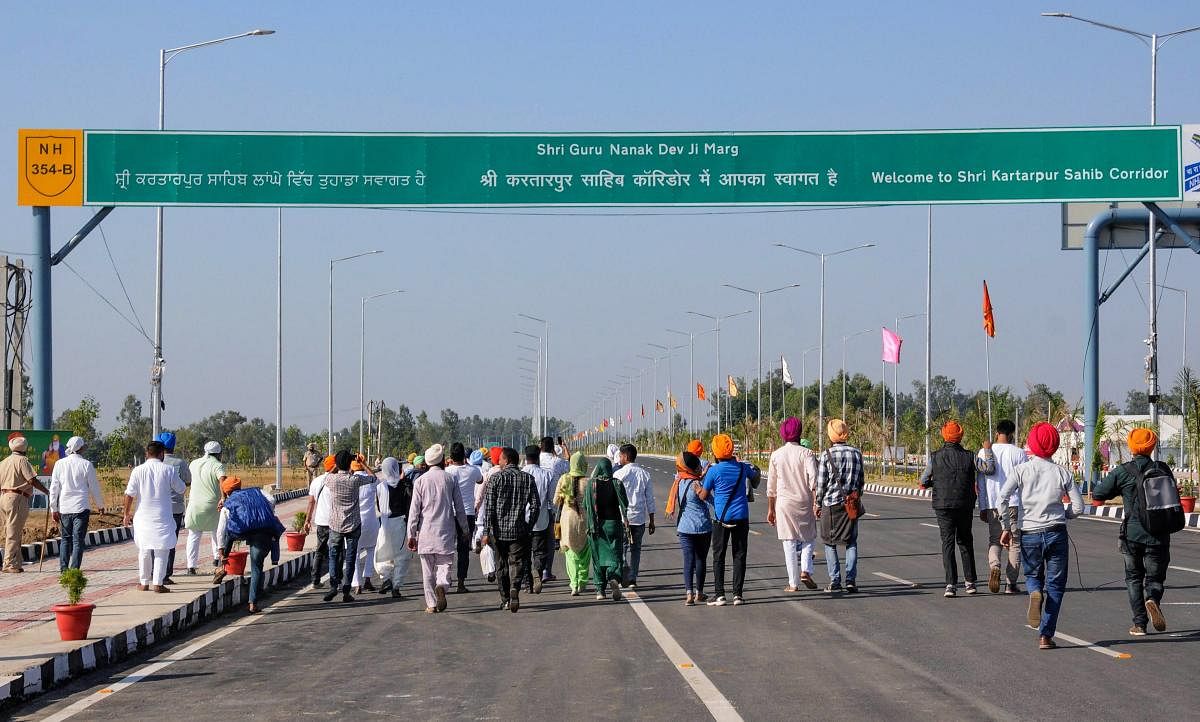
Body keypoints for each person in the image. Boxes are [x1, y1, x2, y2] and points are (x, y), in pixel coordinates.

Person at [997, 422, 1084, 650]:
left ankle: (1034, 592)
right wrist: (1063, 515)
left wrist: (1007, 526)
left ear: (1032, 445)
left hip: (1029, 533)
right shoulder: (1062, 473)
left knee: (1033, 575)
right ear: (1055, 445)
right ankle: (1046, 635)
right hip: (1056, 533)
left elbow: (1002, 499)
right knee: (1055, 585)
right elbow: (1079, 506)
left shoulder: (1022, 470)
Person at [1092, 427, 1175, 636]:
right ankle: (1153, 599)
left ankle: (1139, 624)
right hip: (1159, 534)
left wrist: (1119, 490)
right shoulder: (1163, 469)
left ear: (1131, 446)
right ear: (1152, 446)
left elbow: (1099, 493)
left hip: (1132, 535)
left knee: (1133, 578)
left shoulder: (1123, 471)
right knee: (1155, 579)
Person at [919, 420, 980, 598]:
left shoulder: (935, 456)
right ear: (960, 436)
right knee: (965, 541)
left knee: (948, 543)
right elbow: (985, 469)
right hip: (964, 504)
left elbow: (923, 481)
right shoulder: (970, 456)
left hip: (943, 505)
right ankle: (970, 582)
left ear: (944, 435)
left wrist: (934, 483)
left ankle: (951, 585)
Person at [406, 444, 467, 613]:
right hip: (446, 531)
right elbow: (460, 508)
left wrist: (411, 534)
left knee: (427, 572)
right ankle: (442, 586)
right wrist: (465, 528)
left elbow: (414, 511)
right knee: (445, 566)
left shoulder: (420, 481)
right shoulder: (450, 479)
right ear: (441, 460)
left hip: (425, 532)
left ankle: (431, 604)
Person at [481, 447, 540, 612]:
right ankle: (515, 586)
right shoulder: (528, 479)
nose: (498, 462)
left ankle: (506, 598)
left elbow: (489, 508)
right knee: (517, 562)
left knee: (501, 565)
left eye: (500, 459)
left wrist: (486, 531)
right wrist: (529, 525)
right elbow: (536, 506)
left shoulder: (495, 478)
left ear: (506, 460)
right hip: (519, 530)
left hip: (498, 532)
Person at [703, 434, 759, 606]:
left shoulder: (714, 471)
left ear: (715, 451)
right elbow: (755, 478)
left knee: (718, 556)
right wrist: (748, 465)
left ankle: (720, 594)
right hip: (741, 517)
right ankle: (738, 595)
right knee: (739, 555)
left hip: (721, 519)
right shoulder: (742, 468)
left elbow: (704, 495)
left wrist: (701, 486)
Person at [213, 477, 284, 613]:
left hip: (242, 531)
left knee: (229, 533)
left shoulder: (227, 505)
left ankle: (222, 565)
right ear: (239, 486)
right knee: (256, 567)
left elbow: (220, 532)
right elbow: (272, 500)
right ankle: (253, 603)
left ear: (226, 492)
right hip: (263, 533)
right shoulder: (258, 492)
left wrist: (221, 552)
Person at [122, 441, 186, 593]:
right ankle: (158, 583)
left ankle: (144, 582)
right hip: (162, 516)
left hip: (142, 518)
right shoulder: (168, 470)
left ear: (147, 454)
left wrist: (126, 514)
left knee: (144, 550)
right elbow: (182, 489)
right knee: (162, 550)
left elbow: (129, 494)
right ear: (162, 454)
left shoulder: (137, 470)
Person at [975, 419, 1028, 595]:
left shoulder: (985, 451)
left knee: (994, 540)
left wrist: (982, 506)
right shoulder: (1019, 453)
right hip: (1013, 504)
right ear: (1012, 433)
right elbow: (1024, 483)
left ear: (997, 432)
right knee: (1014, 543)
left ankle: (994, 565)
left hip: (992, 504)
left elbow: (981, 482)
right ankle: (1010, 584)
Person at [766, 418, 819, 592]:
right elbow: (814, 481)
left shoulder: (776, 455)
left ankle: (793, 583)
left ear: (783, 433)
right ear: (799, 432)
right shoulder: (807, 454)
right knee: (808, 537)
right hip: (804, 501)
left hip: (783, 503)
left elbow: (771, 487)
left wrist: (770, 509)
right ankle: (805, 569)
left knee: (789, 541)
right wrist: (816, 503)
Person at [815, 419, 865, 594]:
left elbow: (821, 484)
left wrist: (817, 503)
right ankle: (850, 580)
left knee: (830, 542)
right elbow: (861, 481)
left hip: (831, 505)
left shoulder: (826, 455)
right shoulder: (857, 453)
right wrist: (854, 498)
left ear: (830, 435)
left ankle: (835, 580)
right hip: (851, 505)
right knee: (851, 542)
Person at [321, 450, 377, 603]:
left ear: (337, 464)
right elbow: (373, 478)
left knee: (333, 555)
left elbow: (326, 476)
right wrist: (363, 463)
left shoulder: (331, 480)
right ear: (350, 464)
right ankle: (346, 590)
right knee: (351, 557)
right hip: (353, 524)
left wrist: (335, 466)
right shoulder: (355, 480)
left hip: (335, 524)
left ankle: (333, 586)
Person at [49, 436, 103, 572]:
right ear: (81, 449)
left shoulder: (59, 464)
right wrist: (100, 505)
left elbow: (54, 488)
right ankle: (74, 570)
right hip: (81, 507)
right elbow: (94, 487)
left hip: (65, 508)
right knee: (78, 540)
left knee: (65, 539)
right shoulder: (86, 464)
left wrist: (53, 508)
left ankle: (63, 569)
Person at [0, 436, 50, 573]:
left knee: (10, 530)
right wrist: (46, 491)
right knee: (13, 532)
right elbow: (32, 480)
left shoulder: (4, 462)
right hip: (17, 497)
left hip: (4, 497)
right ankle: (9, 564)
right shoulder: (22, 461)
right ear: (24, 449)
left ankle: (16, 562)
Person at [583, 457, 629, 601]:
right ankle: (614, 577)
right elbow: (625, 503)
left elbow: (585, 504)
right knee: (615, 554)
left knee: (598, 558)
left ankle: (600, 591)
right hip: (614, 525)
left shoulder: (591, 485)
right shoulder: (617, 483)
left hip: (596, 526)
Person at [672, 451, 712, 605]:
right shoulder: (698, 485)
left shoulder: (678, 482)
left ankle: (688, 594)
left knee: (688, 560)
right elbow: (710, 502)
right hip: (703, 527)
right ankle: (699, 593)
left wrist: (701, 475)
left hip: (684, 528)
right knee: (700, 560)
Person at [185, 441, 227, 575]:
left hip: (194, 504)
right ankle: (217, 558)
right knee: (216, 531)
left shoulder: (193, 463)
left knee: (194, 535)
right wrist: (223, 498)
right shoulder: (218, 465)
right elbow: (222, 481)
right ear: (218, 453)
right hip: (212, 504)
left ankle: (191, 566)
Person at [446, 442, 483, 593]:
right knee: (463, 550)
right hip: (467, 514)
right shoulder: (473, 470)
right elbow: (480, 480)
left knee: (446, 549)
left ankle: (445, 579)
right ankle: (461, 582)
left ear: (450, 457)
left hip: (449, 513)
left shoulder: (447, 471)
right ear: (464, 456)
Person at [373, 457, 412, 598]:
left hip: (384, 523)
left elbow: (378, 506)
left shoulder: (380, 487)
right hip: (400, 523)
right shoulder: (405, 485)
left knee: (383, 553)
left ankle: (385, 579)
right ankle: (396, 585)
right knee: (401, 556)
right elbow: (409, 506)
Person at [554, 451, 591, 596]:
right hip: (584, 519)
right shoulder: (588, 481)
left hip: (567, 520)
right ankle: (582, 582)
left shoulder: (564, 478)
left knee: (570, 553)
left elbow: (556, 500)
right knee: (584, 553)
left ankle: (574, 584)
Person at [157, 432, 191, 585]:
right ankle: (166, 573)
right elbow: (187, 482)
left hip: (157, 509)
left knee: (155, 540)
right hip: (175, 508)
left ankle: (155, 572)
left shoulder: (155, 464)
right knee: (171, 542)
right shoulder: (180, 463)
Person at [522, 445, 555, 593]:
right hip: (540, 519)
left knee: (523, 552)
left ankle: (527, 583)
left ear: (525, 457)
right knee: (540, 551)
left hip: (522, 521)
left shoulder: (520, 474)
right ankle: (538, 571)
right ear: (538, 457)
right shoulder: (547, 475)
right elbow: (551, 499)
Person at [538, 436, 569, 582]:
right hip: (552, 506)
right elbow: (569, 465)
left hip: (535, 506)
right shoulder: (557, 462)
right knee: (550, 540)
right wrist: (563, 449)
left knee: (536, 540)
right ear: (553, 448)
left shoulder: (533, 460)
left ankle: (537, 570)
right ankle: (546, 571)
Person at [303, 455, 336, 589]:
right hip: (336, 522)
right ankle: (336, 580)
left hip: (321, 521)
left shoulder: (316, 481)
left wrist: (307, 520)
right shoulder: (338, 480)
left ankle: (315, 580)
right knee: (336, 551)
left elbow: (311, 502)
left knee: (320, 550)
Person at [350, 454, 379, 594]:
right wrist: (365, 465)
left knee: (354, 553)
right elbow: (375, 477)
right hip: (371, 522)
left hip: (354, 523)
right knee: (371, 550)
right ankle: (367, 578)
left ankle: (356, 584)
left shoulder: (350, 481)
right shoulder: (369, 481)